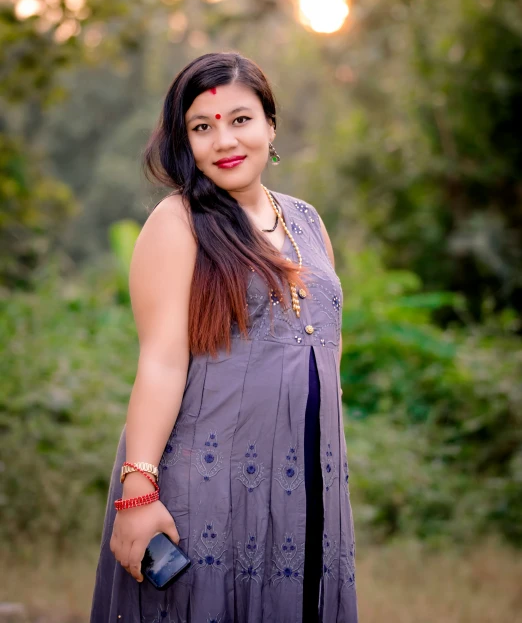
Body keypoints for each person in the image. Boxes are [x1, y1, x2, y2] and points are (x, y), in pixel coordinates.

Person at [90, 51, 358, 622]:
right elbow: (161, 362)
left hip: (307, 481)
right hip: (207, 487)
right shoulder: (179, 222)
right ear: (184, 143)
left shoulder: (307, 220)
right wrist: (138, 494)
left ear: (270, 126)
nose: (224, 141)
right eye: (202, 127)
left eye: (241, 119)